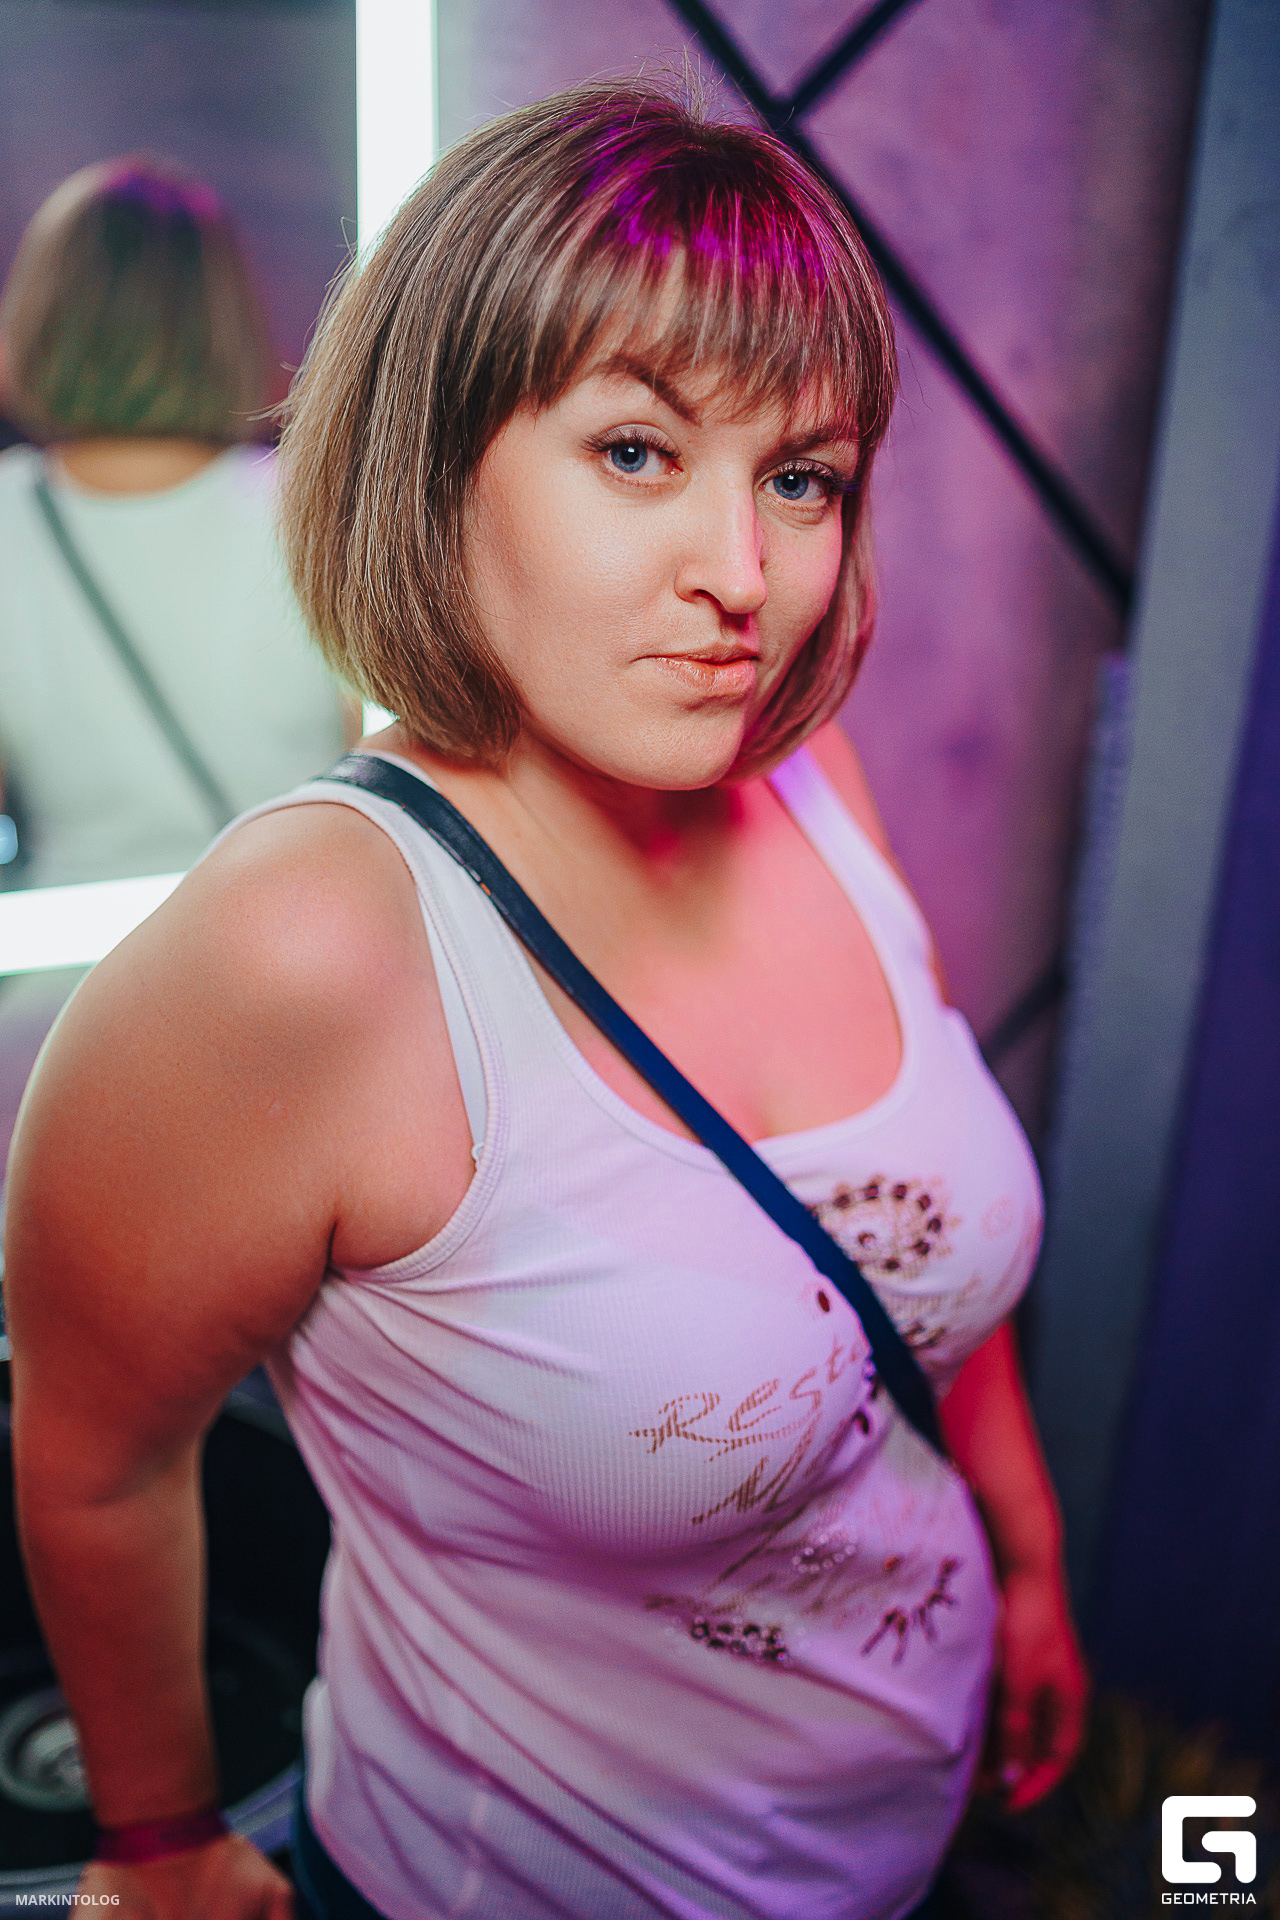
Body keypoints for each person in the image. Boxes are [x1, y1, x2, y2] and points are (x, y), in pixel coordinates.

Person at [5, 84, 1087, 1920]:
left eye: (802, 478)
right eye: (639, 452)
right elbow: (98, 1456)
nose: (742, 579)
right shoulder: (305, 955)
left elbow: (901, 1242)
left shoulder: (815, 788)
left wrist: (1026, 1554)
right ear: (435, 458)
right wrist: (163, 1837)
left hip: (900, 1834)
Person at [0, 158, 352, 1151]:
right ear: (223, 320)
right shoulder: (307, 512)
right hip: (289, 1001)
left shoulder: (7, 522)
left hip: (62, 1026)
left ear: (41, 316)